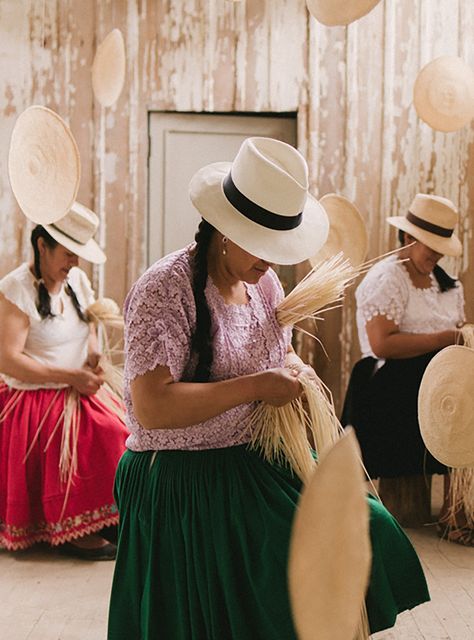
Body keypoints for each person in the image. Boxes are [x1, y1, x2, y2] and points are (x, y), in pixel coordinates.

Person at [108, 137, 430, 639]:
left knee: (366, 530)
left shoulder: (265, 284)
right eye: (264, 246)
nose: (273, 263)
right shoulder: (163, 290)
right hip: (179, 479)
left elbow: (271, 353)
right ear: (225, 233)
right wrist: (257, 385)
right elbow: (152, 407)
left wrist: (294, 370)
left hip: (251, 458)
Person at [0, 202, 129, 560]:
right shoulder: (16, 289)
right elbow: (9, 360)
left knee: (124, 430)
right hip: (36, 396)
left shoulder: (77, 280)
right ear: (42, 246)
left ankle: (106, 519)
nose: (74, 263)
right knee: (104, 433)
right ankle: (75, 528)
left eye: (78, 256)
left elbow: (86, 328)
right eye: (69, 254)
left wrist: (93, 358)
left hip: (77, 384)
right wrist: (69, 376)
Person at [342, 193, 472, 543]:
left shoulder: (446, 284)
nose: (435, 254)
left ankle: (456, 507)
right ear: (408, 238)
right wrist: (444, 338)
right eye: (429, 245)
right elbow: (383, 344)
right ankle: (444, 512)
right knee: (439, 388)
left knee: (462, 392)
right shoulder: (387, 279)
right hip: (391, 378)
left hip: (434, 377)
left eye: (440, 246)